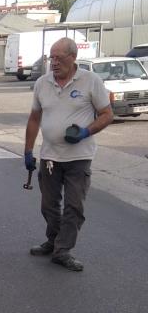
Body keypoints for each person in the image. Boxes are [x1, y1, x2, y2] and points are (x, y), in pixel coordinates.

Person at [24, 37, 113, 272]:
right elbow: (34, 118)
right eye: (51, 58)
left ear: (72, 58)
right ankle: (54, 241)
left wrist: (85, 131)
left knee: (74, 207)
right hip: (50, 156)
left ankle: (63, 250)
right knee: (48, 205)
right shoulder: (42, 83)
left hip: (79, 157)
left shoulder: (90, 81)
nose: (54, 63)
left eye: (59, 58)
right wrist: (27, 150)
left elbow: (106, 114)